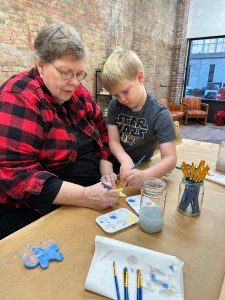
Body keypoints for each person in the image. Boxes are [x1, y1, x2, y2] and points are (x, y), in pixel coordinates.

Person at [0, 22, 119, 239]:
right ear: (41, 65)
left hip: (93, 190)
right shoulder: (20, 97)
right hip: (37, 206)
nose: (74, 83)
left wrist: (106, 166)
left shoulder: (77, 93)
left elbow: (102, 130)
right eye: (65, 73)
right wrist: (85, 196)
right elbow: (18, 175)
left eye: (80, 74)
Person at [101, 49, 177, 187]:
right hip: (114, 165)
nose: (122, 99)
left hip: (142, 168)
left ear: (140, 77)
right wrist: (125, 159)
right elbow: (113, 141)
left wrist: (145, 176)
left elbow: (170, 159)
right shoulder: (114, 106)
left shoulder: (160, 114)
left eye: (125, 91)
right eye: (116, 95)